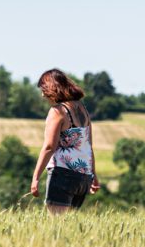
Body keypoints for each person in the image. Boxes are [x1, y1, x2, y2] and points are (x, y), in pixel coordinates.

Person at [30, 68, 101, 214]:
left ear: (53, 88)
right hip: (83, 178)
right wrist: (93, 175)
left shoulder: (57, 111)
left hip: (63, 174)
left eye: (44, 90)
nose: (43, 95)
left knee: (58, 228)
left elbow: (50, 146)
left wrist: (36, 176)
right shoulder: (84, 110)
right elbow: (88, 146)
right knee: (70, 227)